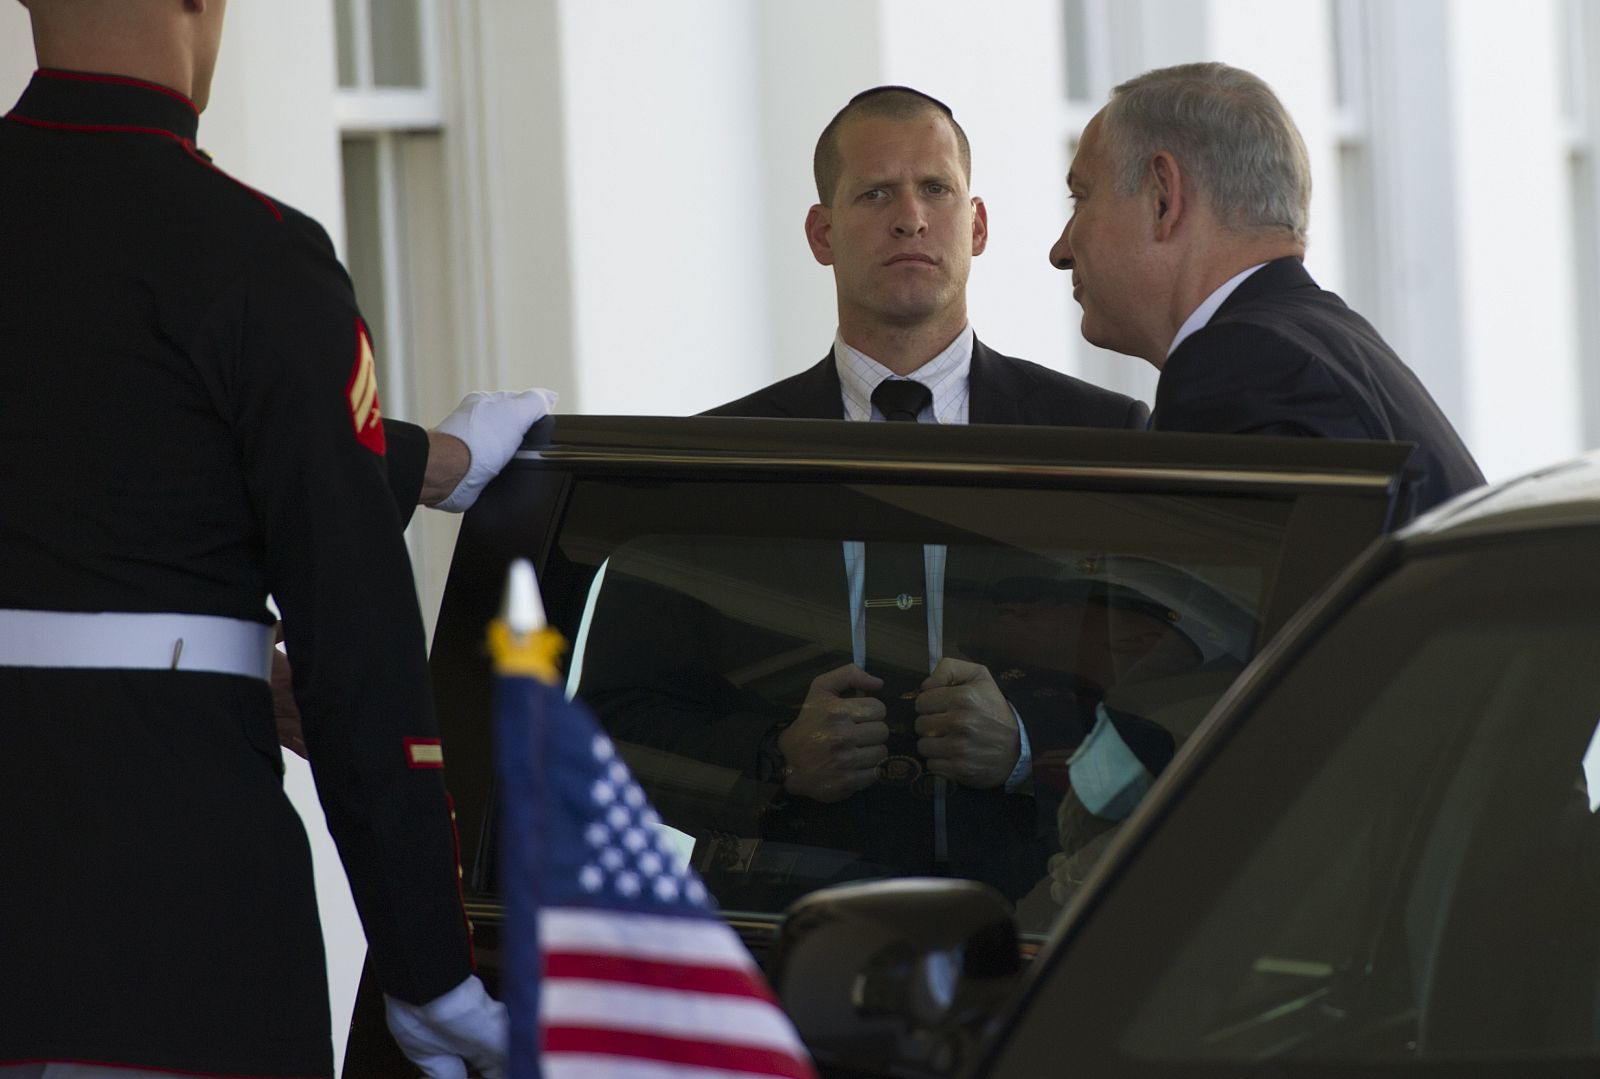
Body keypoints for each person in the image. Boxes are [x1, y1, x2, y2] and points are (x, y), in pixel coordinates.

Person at [0, 2, 521, 1075]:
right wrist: (429, 968)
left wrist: (418, 457)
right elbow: (359, 661)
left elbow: (100, 406)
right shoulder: (254, 256)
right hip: (164, 939)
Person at [700, 86, 1150, 830]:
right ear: (821, 234)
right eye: (875, 193)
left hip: (1031, 917)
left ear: (975, 225)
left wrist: (1029, 750)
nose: (910, 217)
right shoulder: (717, 460)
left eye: (935, 189)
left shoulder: (1102, 437)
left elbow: (1168, 698)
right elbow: (618, 718)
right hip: (789, 907)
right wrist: (773, 758)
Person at [1049, 61, 1483, 515]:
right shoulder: (1320, 342)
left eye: (1081, 198)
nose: (1060, 251)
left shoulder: (1240, 366)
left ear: (1163, 197)